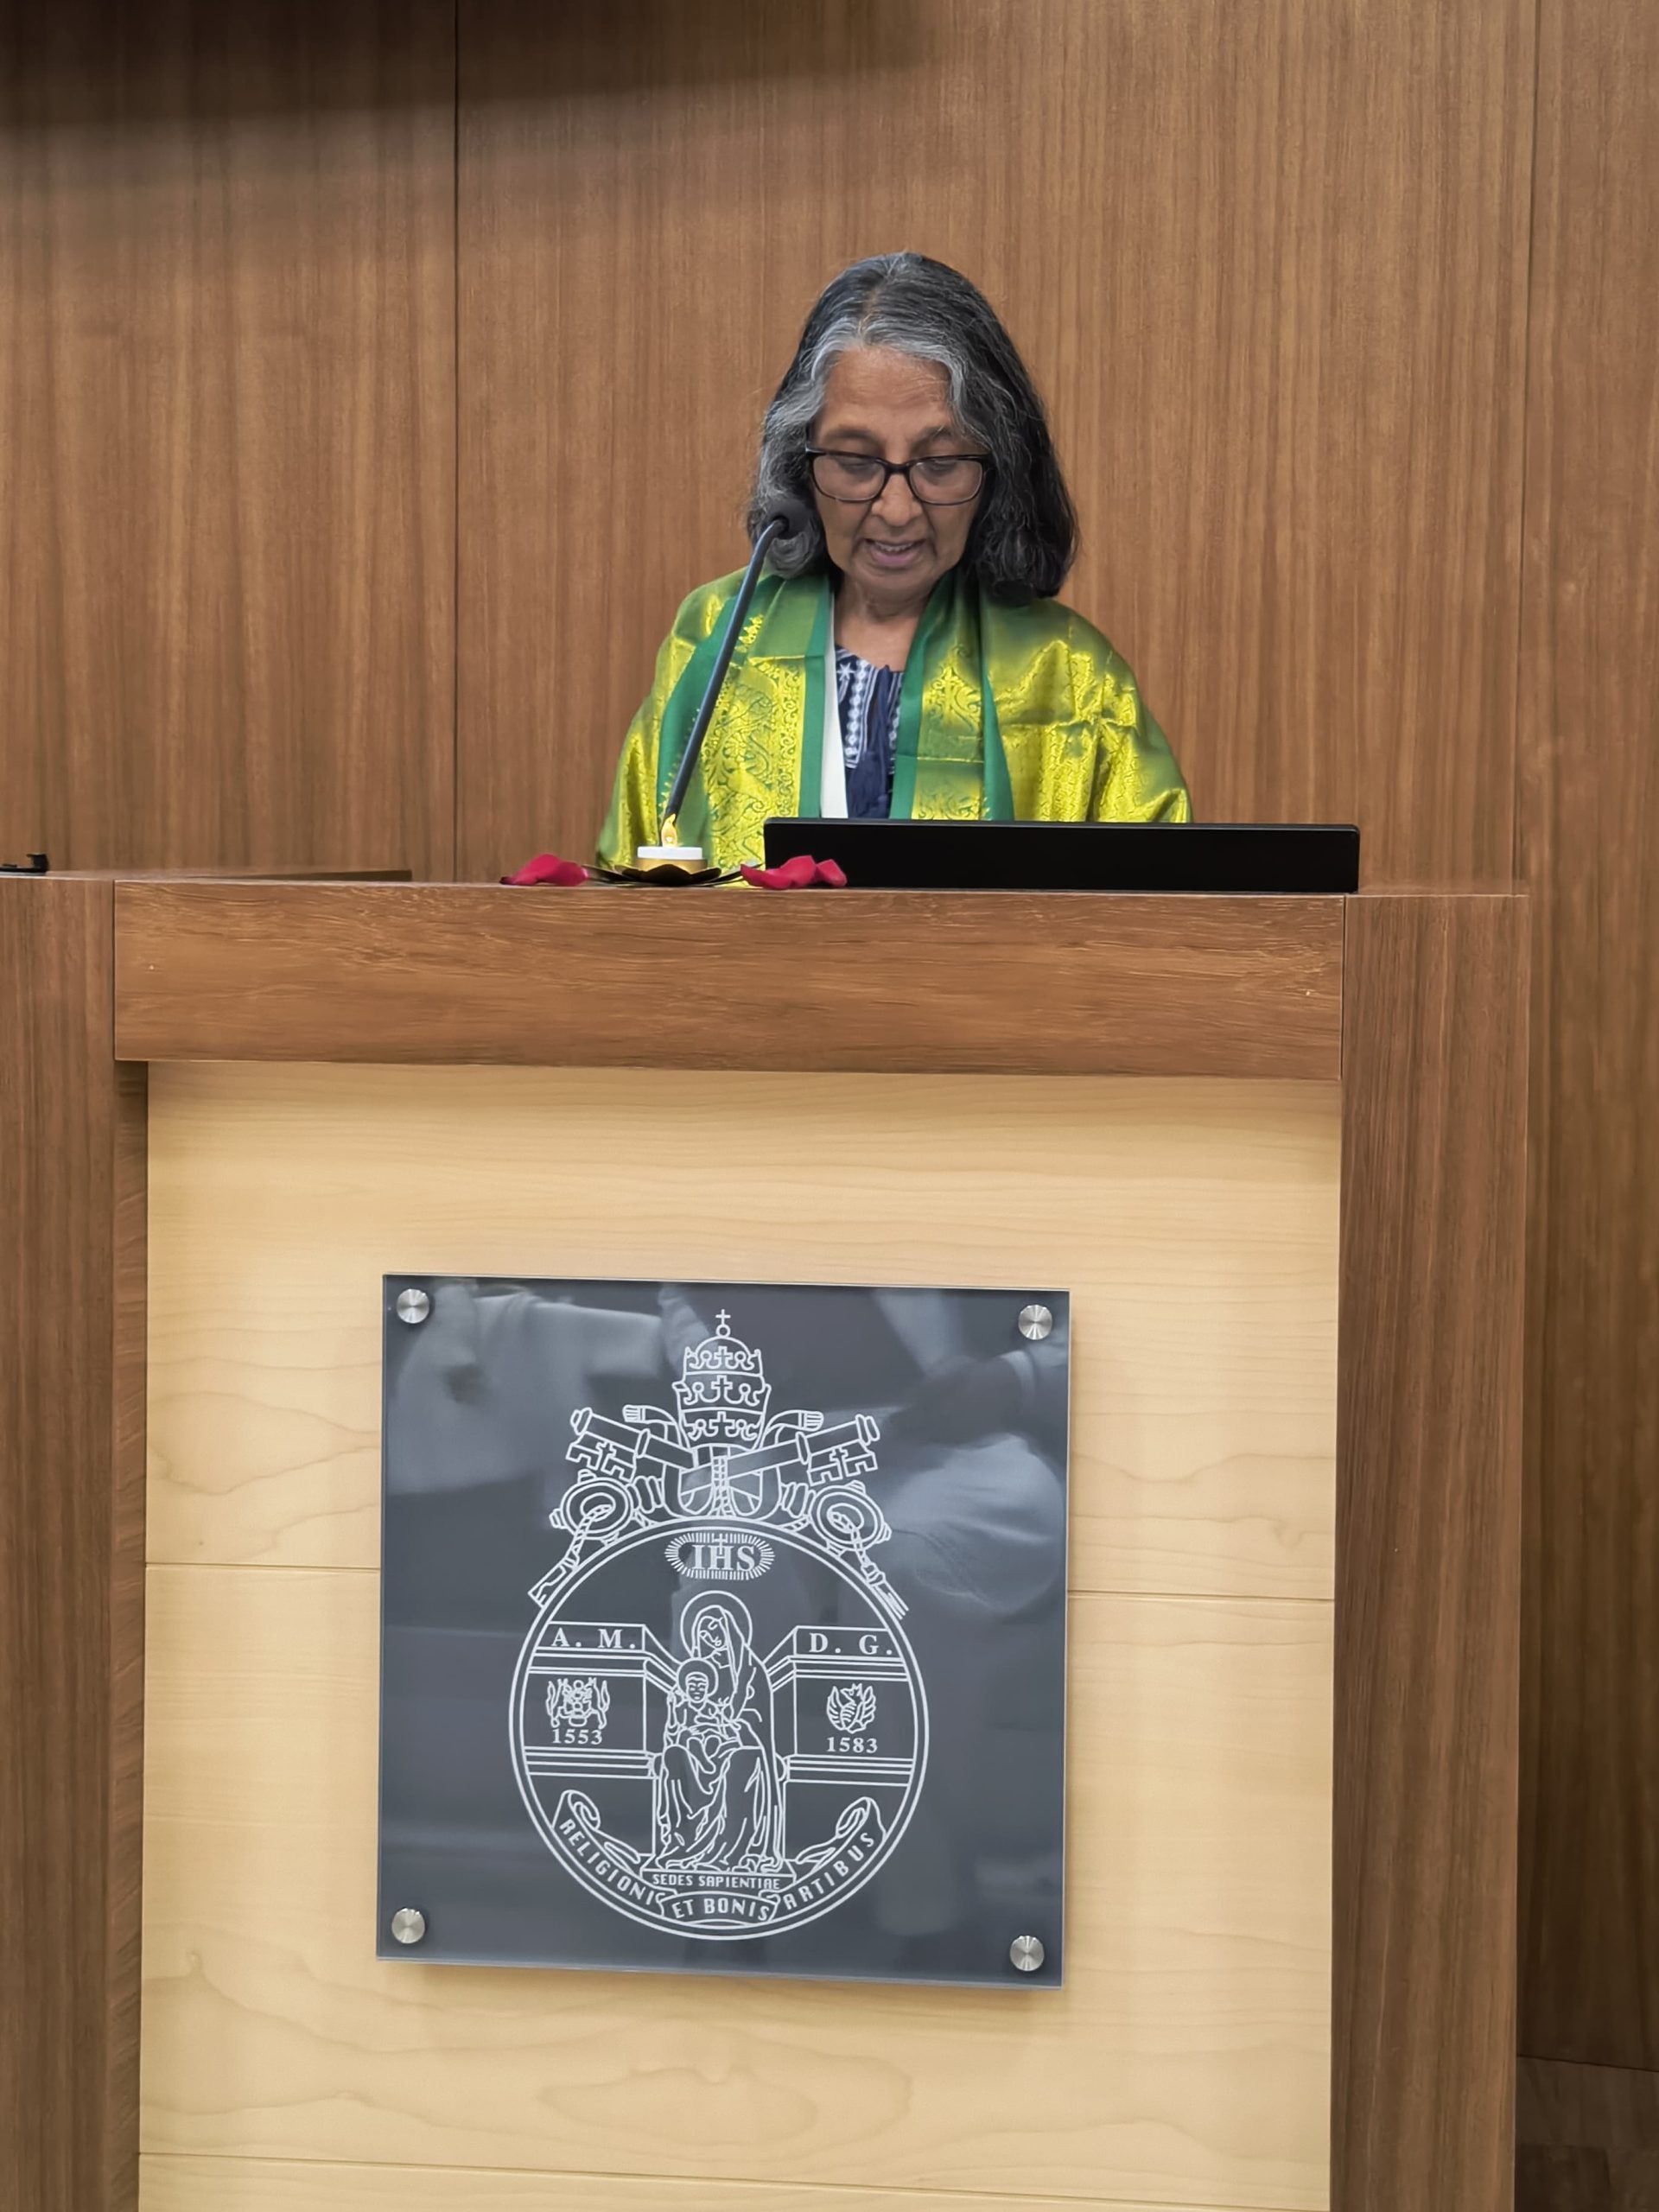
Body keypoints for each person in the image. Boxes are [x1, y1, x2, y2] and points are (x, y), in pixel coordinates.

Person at [597, 251, 1189, 872]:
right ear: (799, 461)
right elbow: (630, 886)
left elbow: (1159, 899)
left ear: (998, 469)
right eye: (856, 463)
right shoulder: (717, 636)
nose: (898, 509)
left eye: (940, 464)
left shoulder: (1070, 673)